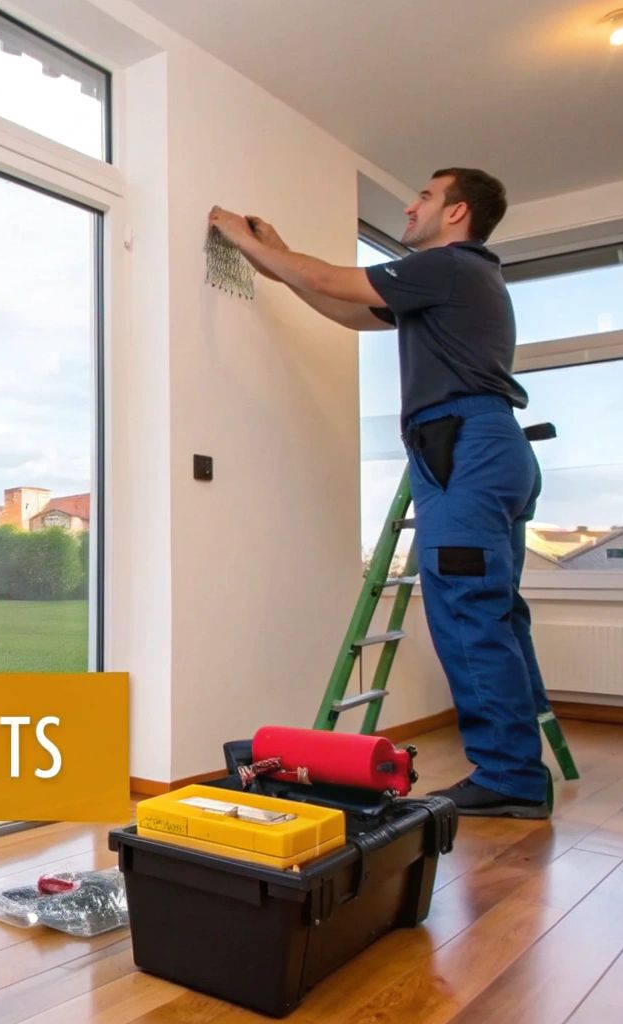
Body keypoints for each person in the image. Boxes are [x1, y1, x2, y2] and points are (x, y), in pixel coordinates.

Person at [209, 168, 552, 818]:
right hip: (479, 447)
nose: (411, 205)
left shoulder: (450, 266)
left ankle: (510, 778)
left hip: (466, 448)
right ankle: (518, 768)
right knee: (489, 609)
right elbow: (345, 308)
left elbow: (332, 279)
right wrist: (275, 256)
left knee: (467, 612)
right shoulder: (456, 281)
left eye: (425, 195)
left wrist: (238, 236)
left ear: (456, 213)